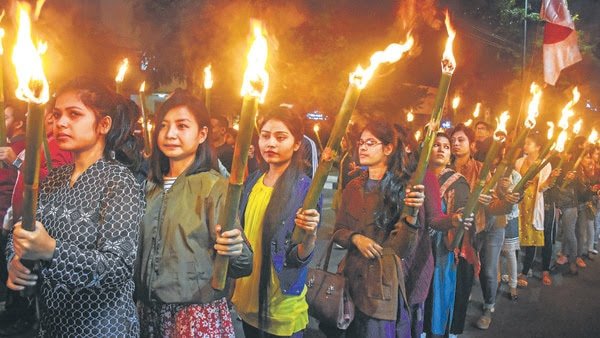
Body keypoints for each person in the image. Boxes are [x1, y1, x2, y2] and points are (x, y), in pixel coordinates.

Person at [6, 77, 144, 337]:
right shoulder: (54, 178)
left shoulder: (119, 181)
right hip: (52, 325)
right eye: (57, 114)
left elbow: (118, 267)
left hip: (102, 328)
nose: (61, 123)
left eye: (74, 114)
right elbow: (22, 230)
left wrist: (51, 250)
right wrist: (14, 262)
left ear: (103, 125)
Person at [136, 89, 252, 337]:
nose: (170, 134)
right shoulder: (148, 186)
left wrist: (235, 249)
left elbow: (243, 263)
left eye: (182, 126)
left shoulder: (215, 186)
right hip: (147, 310)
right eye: (164, 126)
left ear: (202, 134)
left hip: (195, 314)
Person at [232, 108, 321, 338]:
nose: (270, 143)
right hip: (247, 298)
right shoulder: (253, 181)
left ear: (296, 143)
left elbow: (298, 257)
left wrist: (310, 236)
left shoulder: (305, 188)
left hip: (280, 303)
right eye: (265, 135)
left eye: (281, 137)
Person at [333, 120, 425, 338]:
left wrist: (412, 215)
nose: (362, 147)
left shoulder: (404, 189)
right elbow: (338, 230)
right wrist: (356, 238)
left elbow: (403, 248)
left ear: (388, 148)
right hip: (350, 279)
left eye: (370, 143)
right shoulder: (353, 186)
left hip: (382, 285)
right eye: (361, 142)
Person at [423, 132, 472, 337]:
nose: (442, 149)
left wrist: (458, 217)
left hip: (442, 247)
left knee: (438, 292)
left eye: (446, 146)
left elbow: (462, 210)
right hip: (418, 243)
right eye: (436, 145)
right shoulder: (418, 176)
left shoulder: (457, 182)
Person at [515, 132, 558, 287]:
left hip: (533, 206)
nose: (525, 146)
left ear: (538, 147)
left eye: (529, 143)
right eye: (525, 143)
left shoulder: (545, 165)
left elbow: (541, 188)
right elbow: (515, 183)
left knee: (531, 240)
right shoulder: (519, 162)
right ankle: (514, 270)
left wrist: (550, 179)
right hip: (519, 205)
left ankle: (525, 272)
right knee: (515, 239)